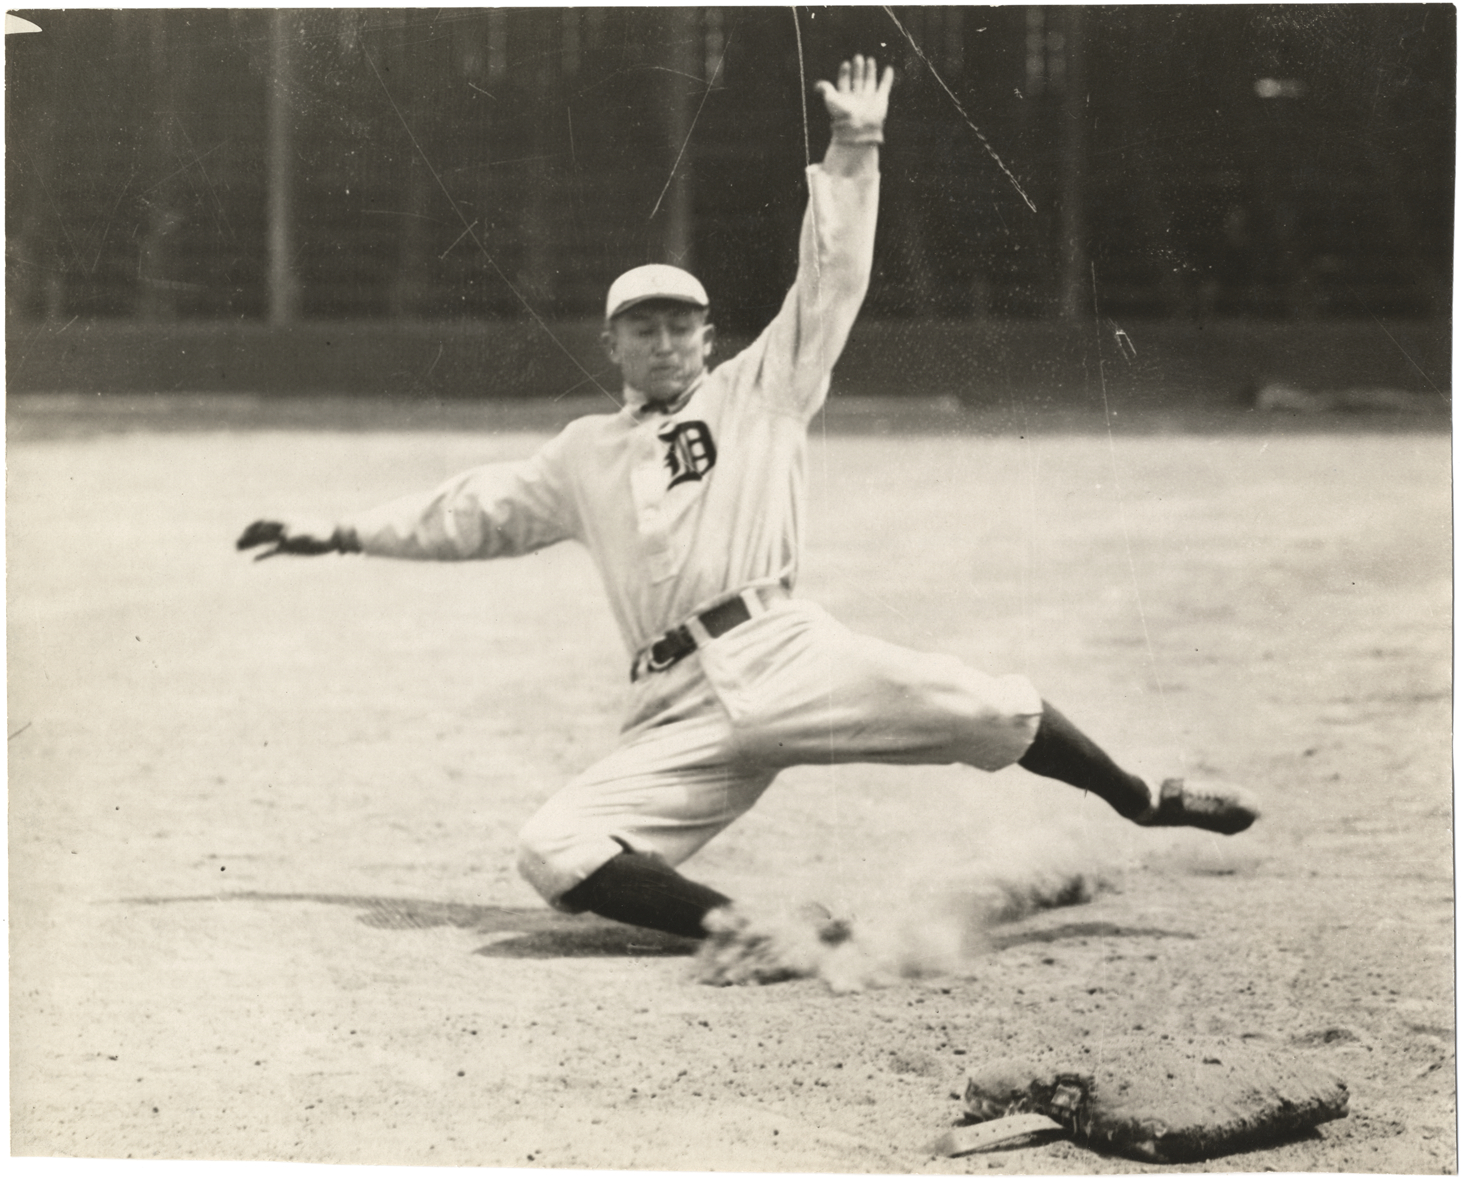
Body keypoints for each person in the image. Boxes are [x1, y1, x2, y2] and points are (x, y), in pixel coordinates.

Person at [238, 57, 1257, 965]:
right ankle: (752, 923)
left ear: (710, 335)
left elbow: (831, 279)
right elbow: (474, 511)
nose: (666, 340)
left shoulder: (763, 387)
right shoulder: (583, 454)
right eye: (644, 325)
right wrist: (340, 530)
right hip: (674, 708)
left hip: (783, 650)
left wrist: (855, 148)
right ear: (613, 344)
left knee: (989, 705)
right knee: (552, 846)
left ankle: (1142, 797)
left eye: (682, 322)